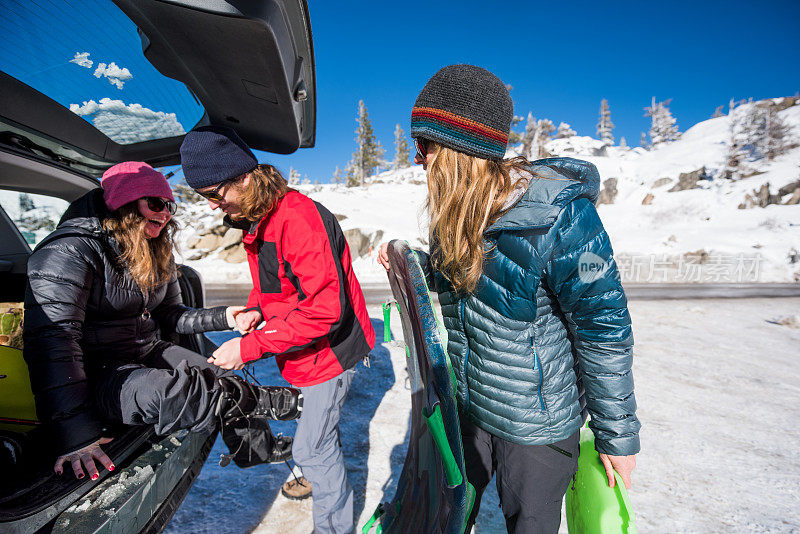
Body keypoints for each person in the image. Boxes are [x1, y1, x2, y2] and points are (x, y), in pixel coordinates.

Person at [378, 64, 640, 533]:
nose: (417, 158)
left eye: (426, 145)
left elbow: (603, 327)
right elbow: (465, 290)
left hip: (537, 430)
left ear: (462, 149)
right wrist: (415, 268)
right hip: (472, 410)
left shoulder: (563, 218)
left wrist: (616, 436)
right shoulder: (455, 217)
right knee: (456, 518)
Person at [23, 161, 302, 481]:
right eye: (155, 203)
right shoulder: (69, 251)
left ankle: (254, 449)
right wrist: (75, 435)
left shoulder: (155, 250)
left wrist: (223, 316)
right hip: (98, 370)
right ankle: (279, 402)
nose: (165, 213)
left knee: (223, 373)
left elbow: (171, 315)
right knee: (178, 392)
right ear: (124, 204)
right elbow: (53, 342)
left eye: (168, 205)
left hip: (146, 348)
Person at [180, 126, 376, 534]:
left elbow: (324, 310)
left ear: (245, 177)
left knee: (312, 445)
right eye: (206, 198)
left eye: (216, 194)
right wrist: (254, 309)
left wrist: (249, 347)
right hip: (303, 350)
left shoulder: (297, 218)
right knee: (317, 435)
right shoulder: (262, 219)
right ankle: (318, 471)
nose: (215, 206)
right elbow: (275, 283)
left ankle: (334, 528)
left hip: (330, 353)